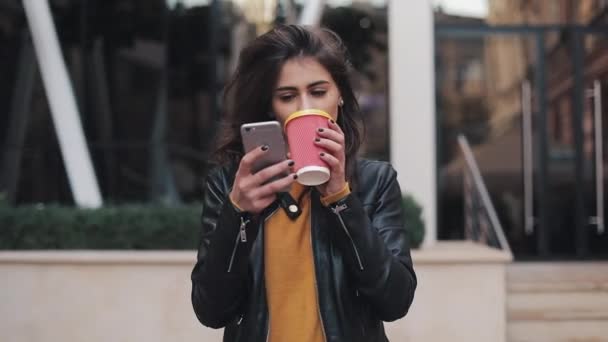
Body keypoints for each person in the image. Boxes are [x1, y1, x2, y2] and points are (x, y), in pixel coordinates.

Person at [191, 24, 417, 342]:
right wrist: (238, 212)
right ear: (270, 107)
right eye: (287, 96)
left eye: (319, 92)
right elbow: (211, 311)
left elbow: (395, 301)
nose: (305, 108)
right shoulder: (231, 185)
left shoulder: (374, 182)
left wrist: (340, 197)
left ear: (340, 97)